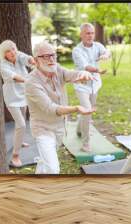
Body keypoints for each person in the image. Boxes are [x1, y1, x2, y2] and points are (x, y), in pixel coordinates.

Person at [25, 42, 96, 174]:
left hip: (59, 129)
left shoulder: (56, 68)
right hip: (43, 129)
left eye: (53, 55)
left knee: (46, 159)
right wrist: (76, 108)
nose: (51, 59)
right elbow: (51, 109)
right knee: (53, 169)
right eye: (45, 56)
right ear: (35, 60)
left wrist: (82, 73)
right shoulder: (31, 82)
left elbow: (70, 74)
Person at [72, 23, 111, 152]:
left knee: (87, 112)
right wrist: (98, 70)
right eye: (87, 33)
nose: (90, 36)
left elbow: (106, 51)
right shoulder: (77, 50)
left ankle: (79, 129)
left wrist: (106, 54)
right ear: (81, 35)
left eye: (92, 33)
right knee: (88, 110)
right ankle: (86, 143)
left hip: (95, 84)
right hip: (82, 85)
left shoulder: (98, 46)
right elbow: (86, 66)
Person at [0, 40, 35, 168]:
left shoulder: (17, 54)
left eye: (13, 49)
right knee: (21, 124)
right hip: (12, 98)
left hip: (23, 94)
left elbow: (27, 58)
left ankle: (19, 141)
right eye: (8, 51)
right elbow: (17, 77)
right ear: (4, 55)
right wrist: (30, 80)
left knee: (22, 121)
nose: (12, 52)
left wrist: (32, 60)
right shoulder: (3, 65)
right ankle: (15, 155)